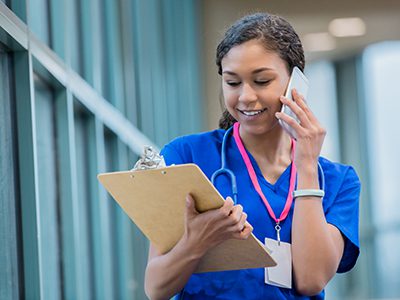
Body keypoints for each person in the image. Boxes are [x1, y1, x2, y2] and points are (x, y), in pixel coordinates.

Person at [144, 12, 360, 299]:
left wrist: (306, 166)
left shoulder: (337, 181)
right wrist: (196, 242)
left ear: (296, 83)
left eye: (261, 81)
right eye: (233, 83)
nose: (245, 97)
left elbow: (310, 280)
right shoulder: (186, 156)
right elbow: (156, 288)